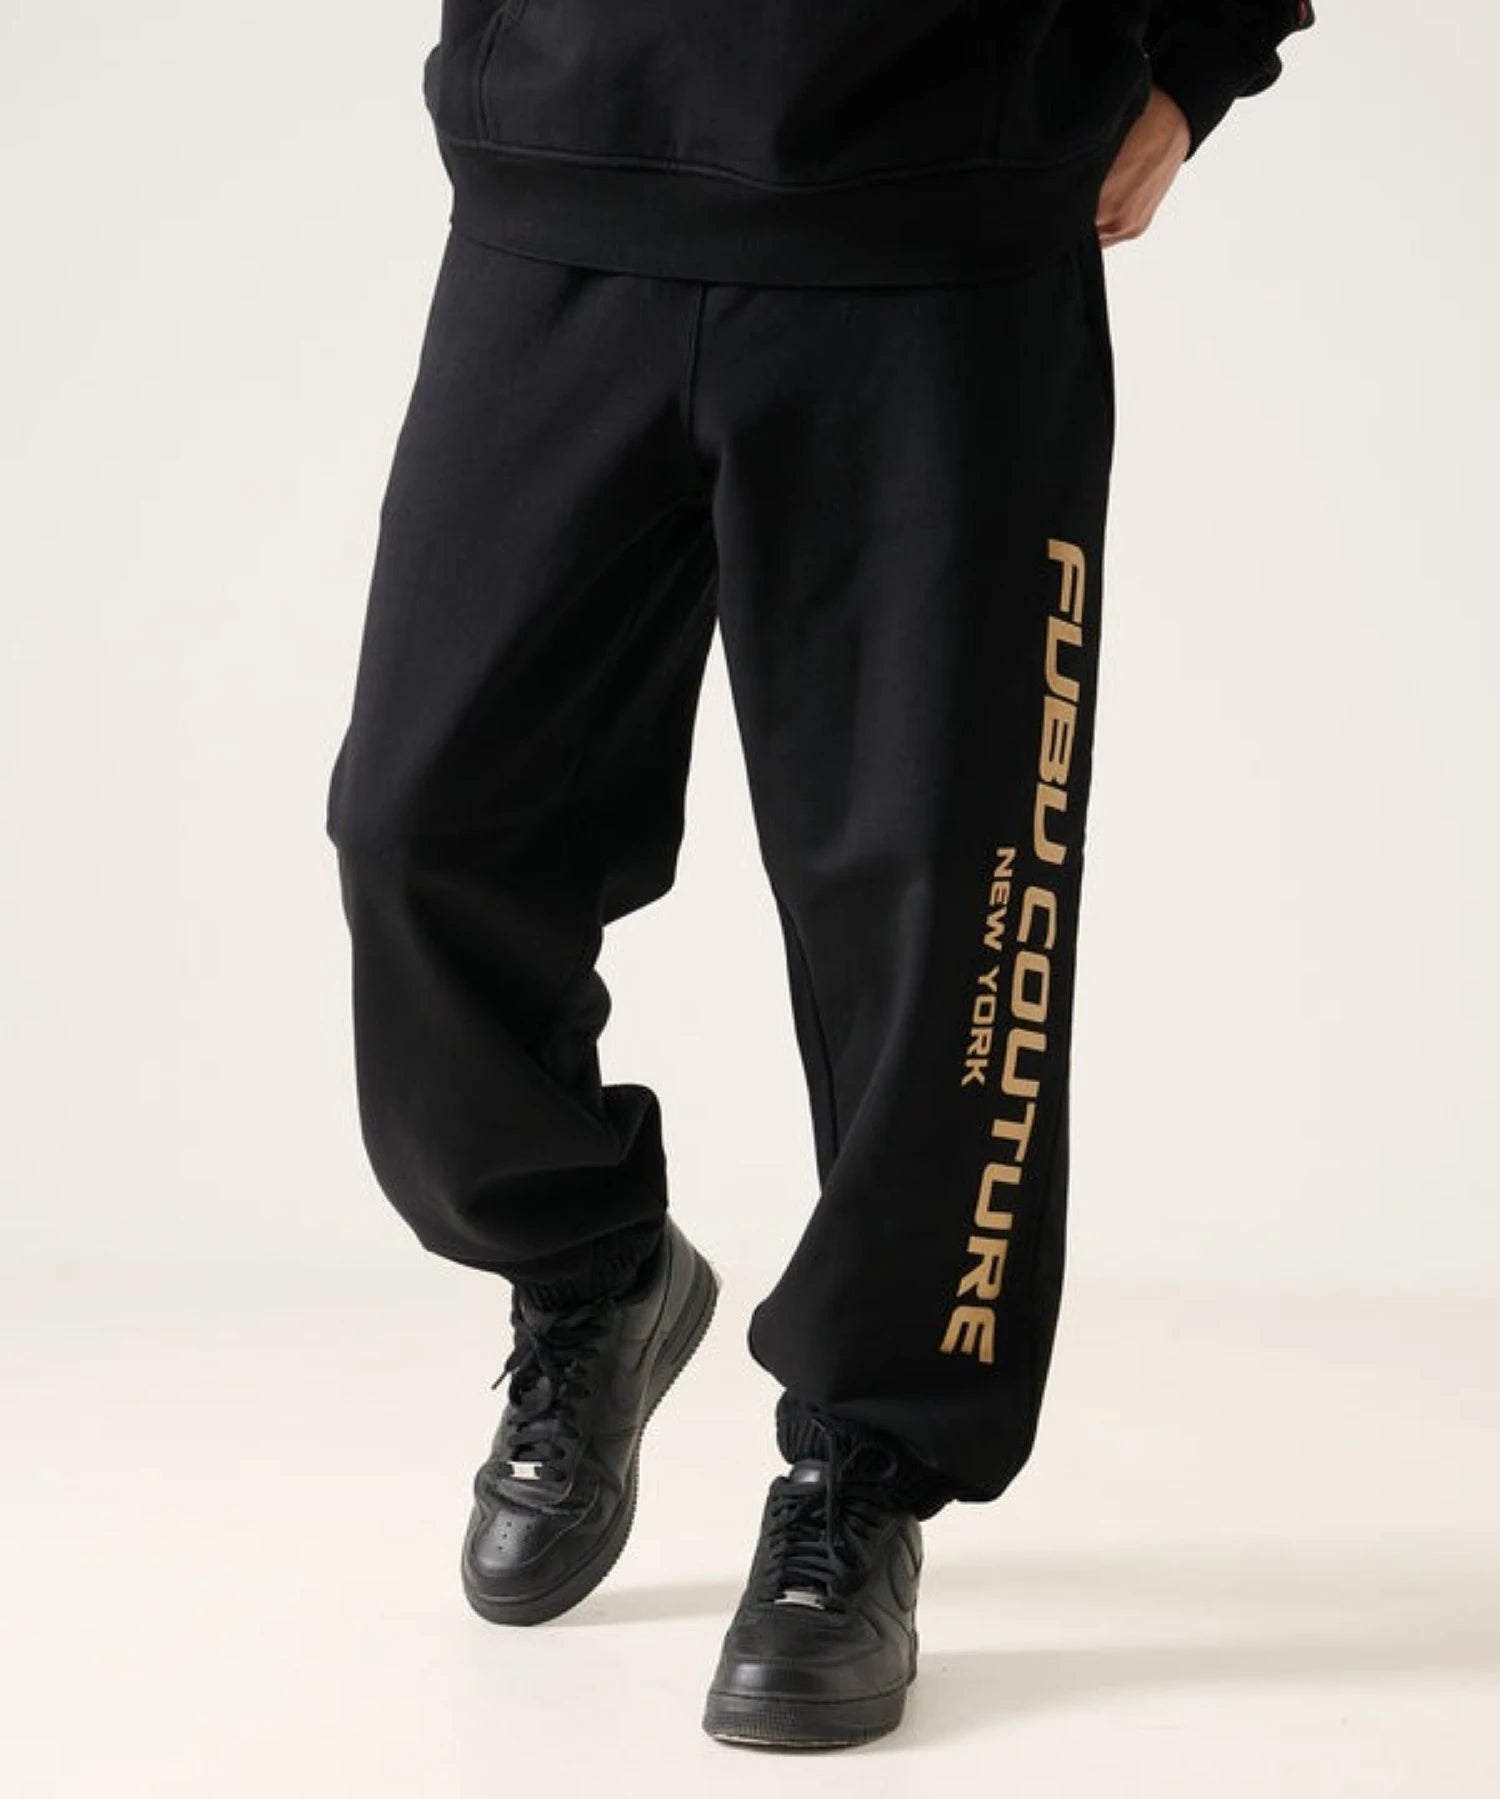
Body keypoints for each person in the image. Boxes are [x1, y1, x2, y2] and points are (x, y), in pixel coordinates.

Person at [324, 0, 1315, 1750]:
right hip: (559, 184)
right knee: (424, 827)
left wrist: (1207, 39)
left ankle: (868, 1466)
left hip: (941, 221)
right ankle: (588, 1270)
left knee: (949, 901)